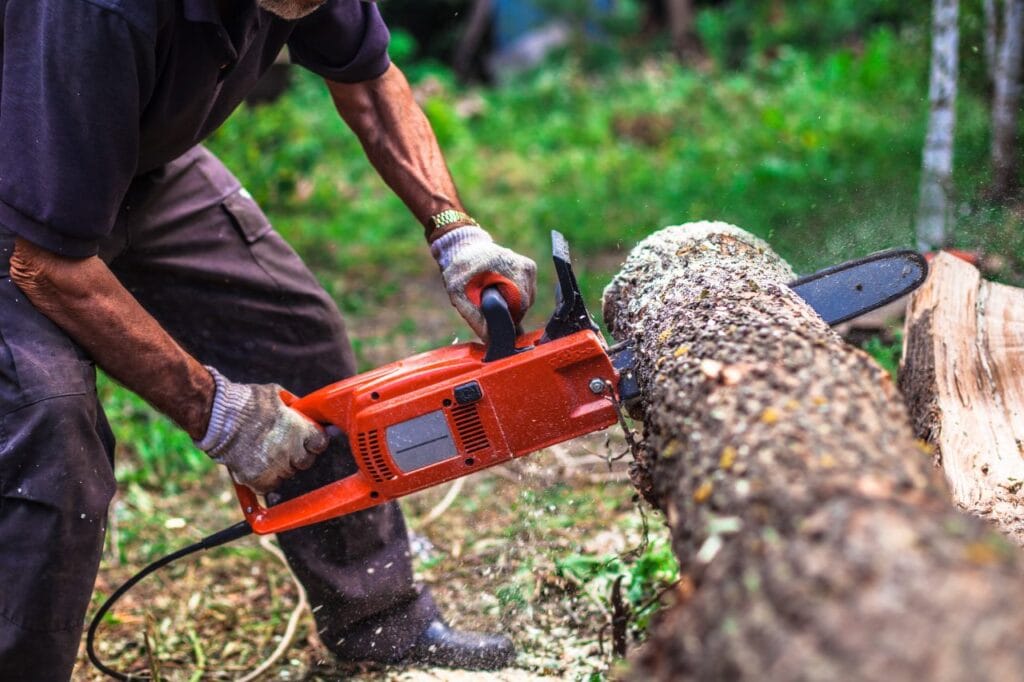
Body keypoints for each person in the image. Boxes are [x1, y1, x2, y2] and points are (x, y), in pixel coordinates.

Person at [0, 0, 538, 679]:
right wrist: (216, 411)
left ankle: (381, 625)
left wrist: (455, 231)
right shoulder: (98, 13)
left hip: (138, 160)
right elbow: (46, 264)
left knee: (291, 327)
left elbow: (370, 81)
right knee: (49, 426)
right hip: (17, 186)